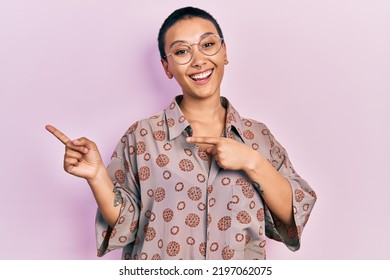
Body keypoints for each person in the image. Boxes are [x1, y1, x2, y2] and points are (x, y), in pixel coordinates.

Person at [46, 6, 316, 260]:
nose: (199, 60)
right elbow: (125, 225)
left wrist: (252, 162)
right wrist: (96, 176)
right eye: (182, 52)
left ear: (224, 52)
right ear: (167, 66)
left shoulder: (258, 136)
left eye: (208, 45)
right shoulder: (142, 137)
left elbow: (291, 218)